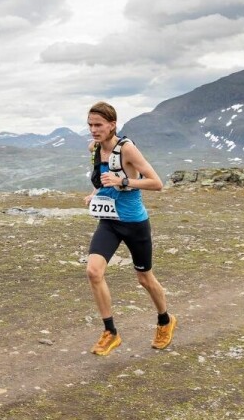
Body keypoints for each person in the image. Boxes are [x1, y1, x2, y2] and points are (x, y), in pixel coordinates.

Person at [83, 101, 176, 355]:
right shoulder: (94, 148)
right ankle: (110, 332)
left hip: (134, 223)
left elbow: (157, 183)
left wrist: (122, 180)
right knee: (93, 271)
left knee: (144, 278)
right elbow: (102, 178)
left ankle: (165, 320)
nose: (93, 130)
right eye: (90, 125)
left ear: (112, 125)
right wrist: (95, 193)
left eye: (98, 125)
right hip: (110, 222)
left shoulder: (127, 149)